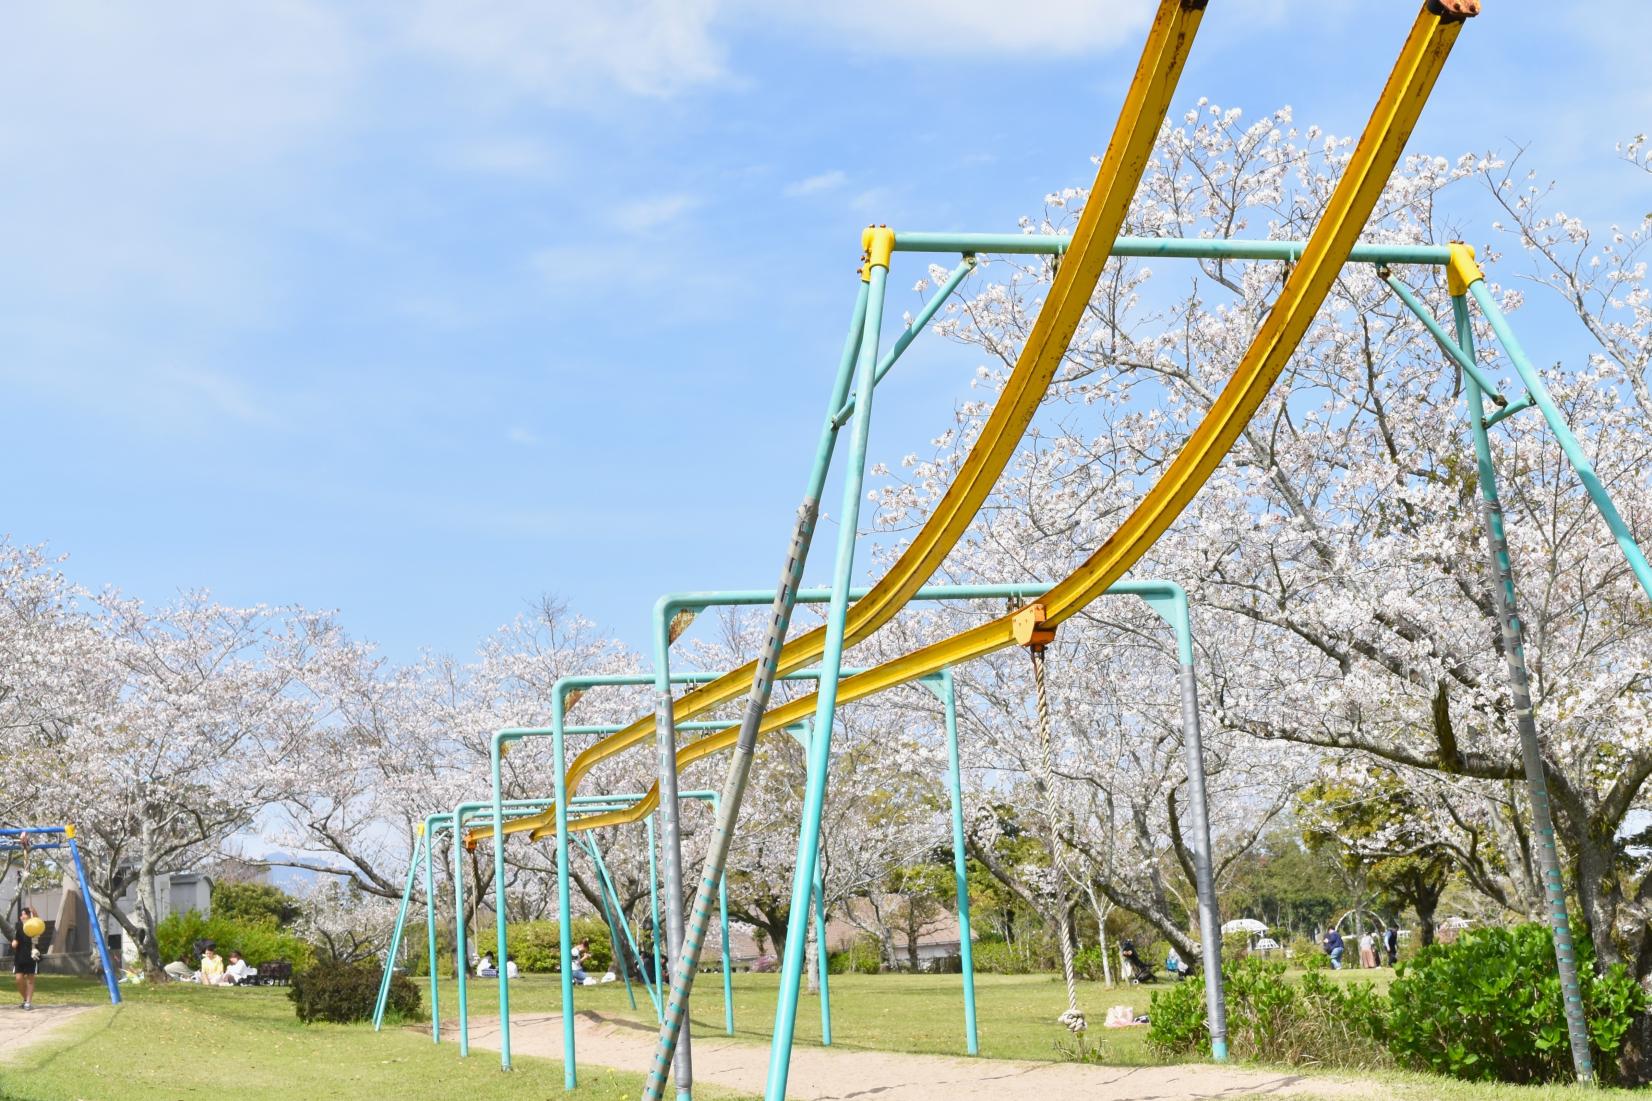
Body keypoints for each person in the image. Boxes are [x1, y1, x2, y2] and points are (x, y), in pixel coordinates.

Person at [11, 907, 39, 1010]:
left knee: (30, 980)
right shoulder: (18, 926)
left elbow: (37, 919)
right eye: (21, 915)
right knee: (19, 980)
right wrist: (14, 943)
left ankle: (28, 1002)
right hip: (19, 956)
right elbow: (16, 939)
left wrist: (34, 911)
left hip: (31, 955)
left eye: (24, 914)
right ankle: (26, 999)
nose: (21, 916)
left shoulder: (34, 927)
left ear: (29, 915)